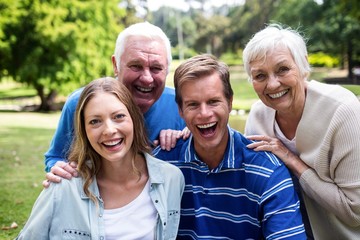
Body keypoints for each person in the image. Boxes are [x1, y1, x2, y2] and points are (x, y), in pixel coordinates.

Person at [153, 54, 306, 239]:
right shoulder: (162, 163)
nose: (204, 114)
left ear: (230, 102)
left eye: (213, 102)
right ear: (180, 110)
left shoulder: (268, 171)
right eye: (193, 104)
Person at [16, 77, 185, 239]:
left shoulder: (171, 180)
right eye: (95, 121)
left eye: (118, 116)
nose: (109, 130)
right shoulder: (63, 187)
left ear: (134, 119)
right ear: (84, 130)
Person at [243, 23, 360, 239]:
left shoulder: (343, 111)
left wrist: (293, 161)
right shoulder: (258, 116)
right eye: (260, 76)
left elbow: (355, 212)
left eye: (283, 69)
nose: (272, 84)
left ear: (303, 64)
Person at [43, 22, 186, 185]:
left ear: (167, 69)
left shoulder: (181, 104)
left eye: (156, 68)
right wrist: (59, 169)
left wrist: (184, 136)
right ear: (115, 65)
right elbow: (55, 157)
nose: (147, 78)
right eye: (136, 66)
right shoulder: (81, 104)